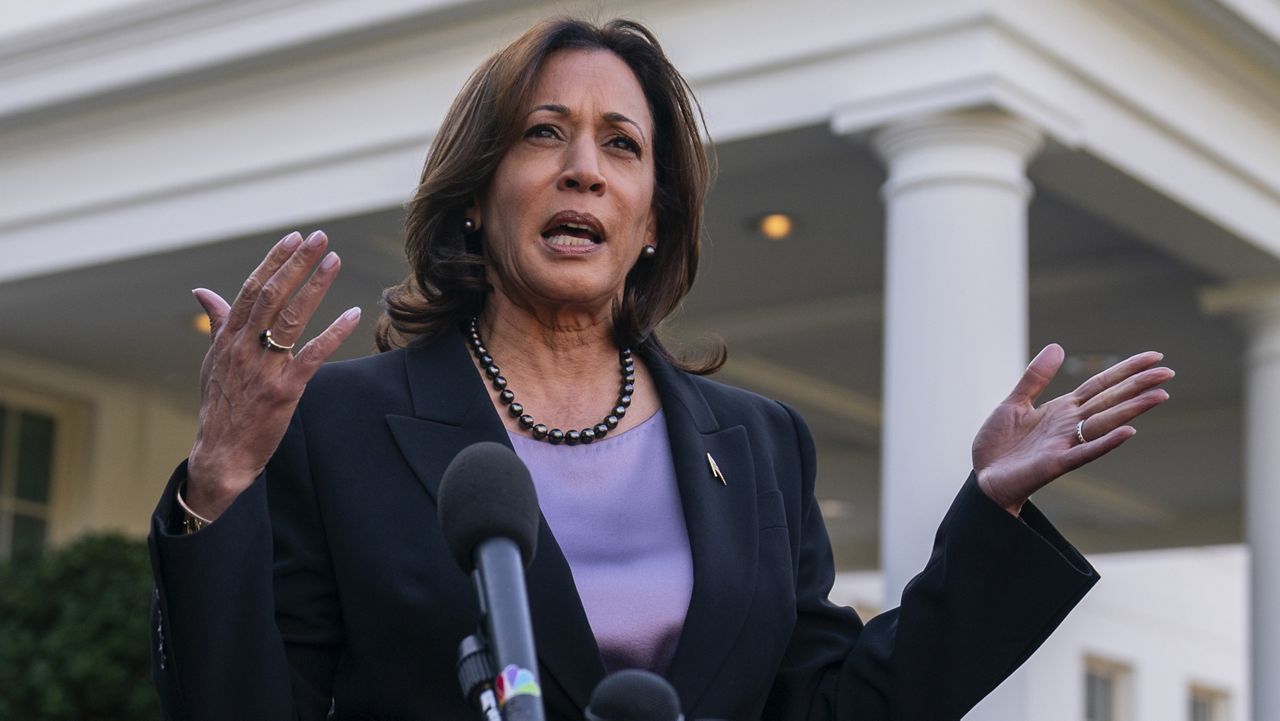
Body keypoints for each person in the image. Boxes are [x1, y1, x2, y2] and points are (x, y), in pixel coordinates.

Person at [147, 17, 1174, 721]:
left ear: (648, 222)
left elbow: (829, 706)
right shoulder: (341, 424)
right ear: (475, 195)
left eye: (620, 145)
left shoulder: (760, 445)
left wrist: (985, 525)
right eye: (541, 134)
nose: (582, 166)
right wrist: (220, 481)